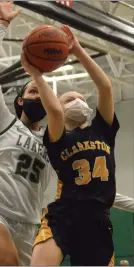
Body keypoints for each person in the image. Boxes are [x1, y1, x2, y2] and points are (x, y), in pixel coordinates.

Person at [0, 2, 55, 266]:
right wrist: (2, 24)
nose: (38, 95)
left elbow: (85, 183)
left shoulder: (54, 144)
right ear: (19, 102)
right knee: (7, 261)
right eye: (32, 92)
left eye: (42, 91)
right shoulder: (3, 121)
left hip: (29, 226)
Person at [21, 25, 120, 266]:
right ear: (62, 110)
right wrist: (36, 75)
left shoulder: (102, 130)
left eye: (81, 99)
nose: (77, 101)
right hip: (64, 216)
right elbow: (53, 110)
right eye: (70, 99)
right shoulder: (58, 136)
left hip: (98, 220)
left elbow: (105, 87)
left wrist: (76, 50)